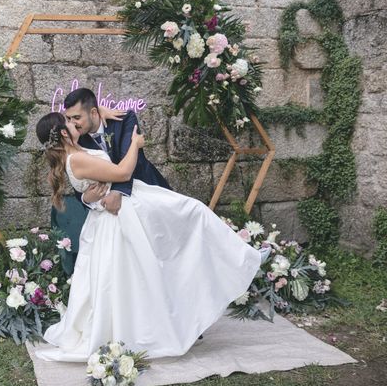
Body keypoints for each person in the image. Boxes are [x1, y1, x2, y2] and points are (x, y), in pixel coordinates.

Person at [34, 112, 267, 362]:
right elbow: (123, 173)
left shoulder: (78, 151)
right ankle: (240, 259)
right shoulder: (77, 158)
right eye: (69, 122)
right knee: (191, 215)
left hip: (124, 207)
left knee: (177, 232)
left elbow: (97, 162)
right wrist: (134, 144)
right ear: (62, 134)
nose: (75, 122)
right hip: (119, 216)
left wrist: (102, 110)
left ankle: (239, 258)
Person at [51, 88, 170, 275]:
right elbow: (51, 128)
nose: (73, 123)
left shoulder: (124, 119)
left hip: (145, 192)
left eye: (76, 118)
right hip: (113, 214)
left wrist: (117, 192)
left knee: (167, 249)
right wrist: (85, 198)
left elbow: (130, 161)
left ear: (93, 113)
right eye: (69, 119)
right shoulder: (76, 140)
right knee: (133, 267)